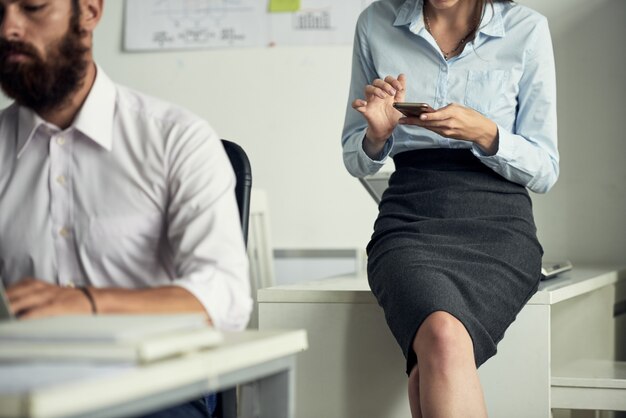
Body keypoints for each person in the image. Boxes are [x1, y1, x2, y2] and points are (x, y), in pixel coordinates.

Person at [0, 0, 251, 416]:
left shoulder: (177, 140)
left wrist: (85, 303)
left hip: (153, 389)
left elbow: (225, 297)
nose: (9, 27)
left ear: (90, 12)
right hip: (21, 384)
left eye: (33, 7)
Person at [342, 0, 557, 416]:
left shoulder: (527, 29)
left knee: (434, 359)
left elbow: (546, 169)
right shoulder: (375, 21)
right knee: (440, 337)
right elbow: (355, 156)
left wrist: (486, 132)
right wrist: (377, 134)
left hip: (499, 221)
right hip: (410, 217)